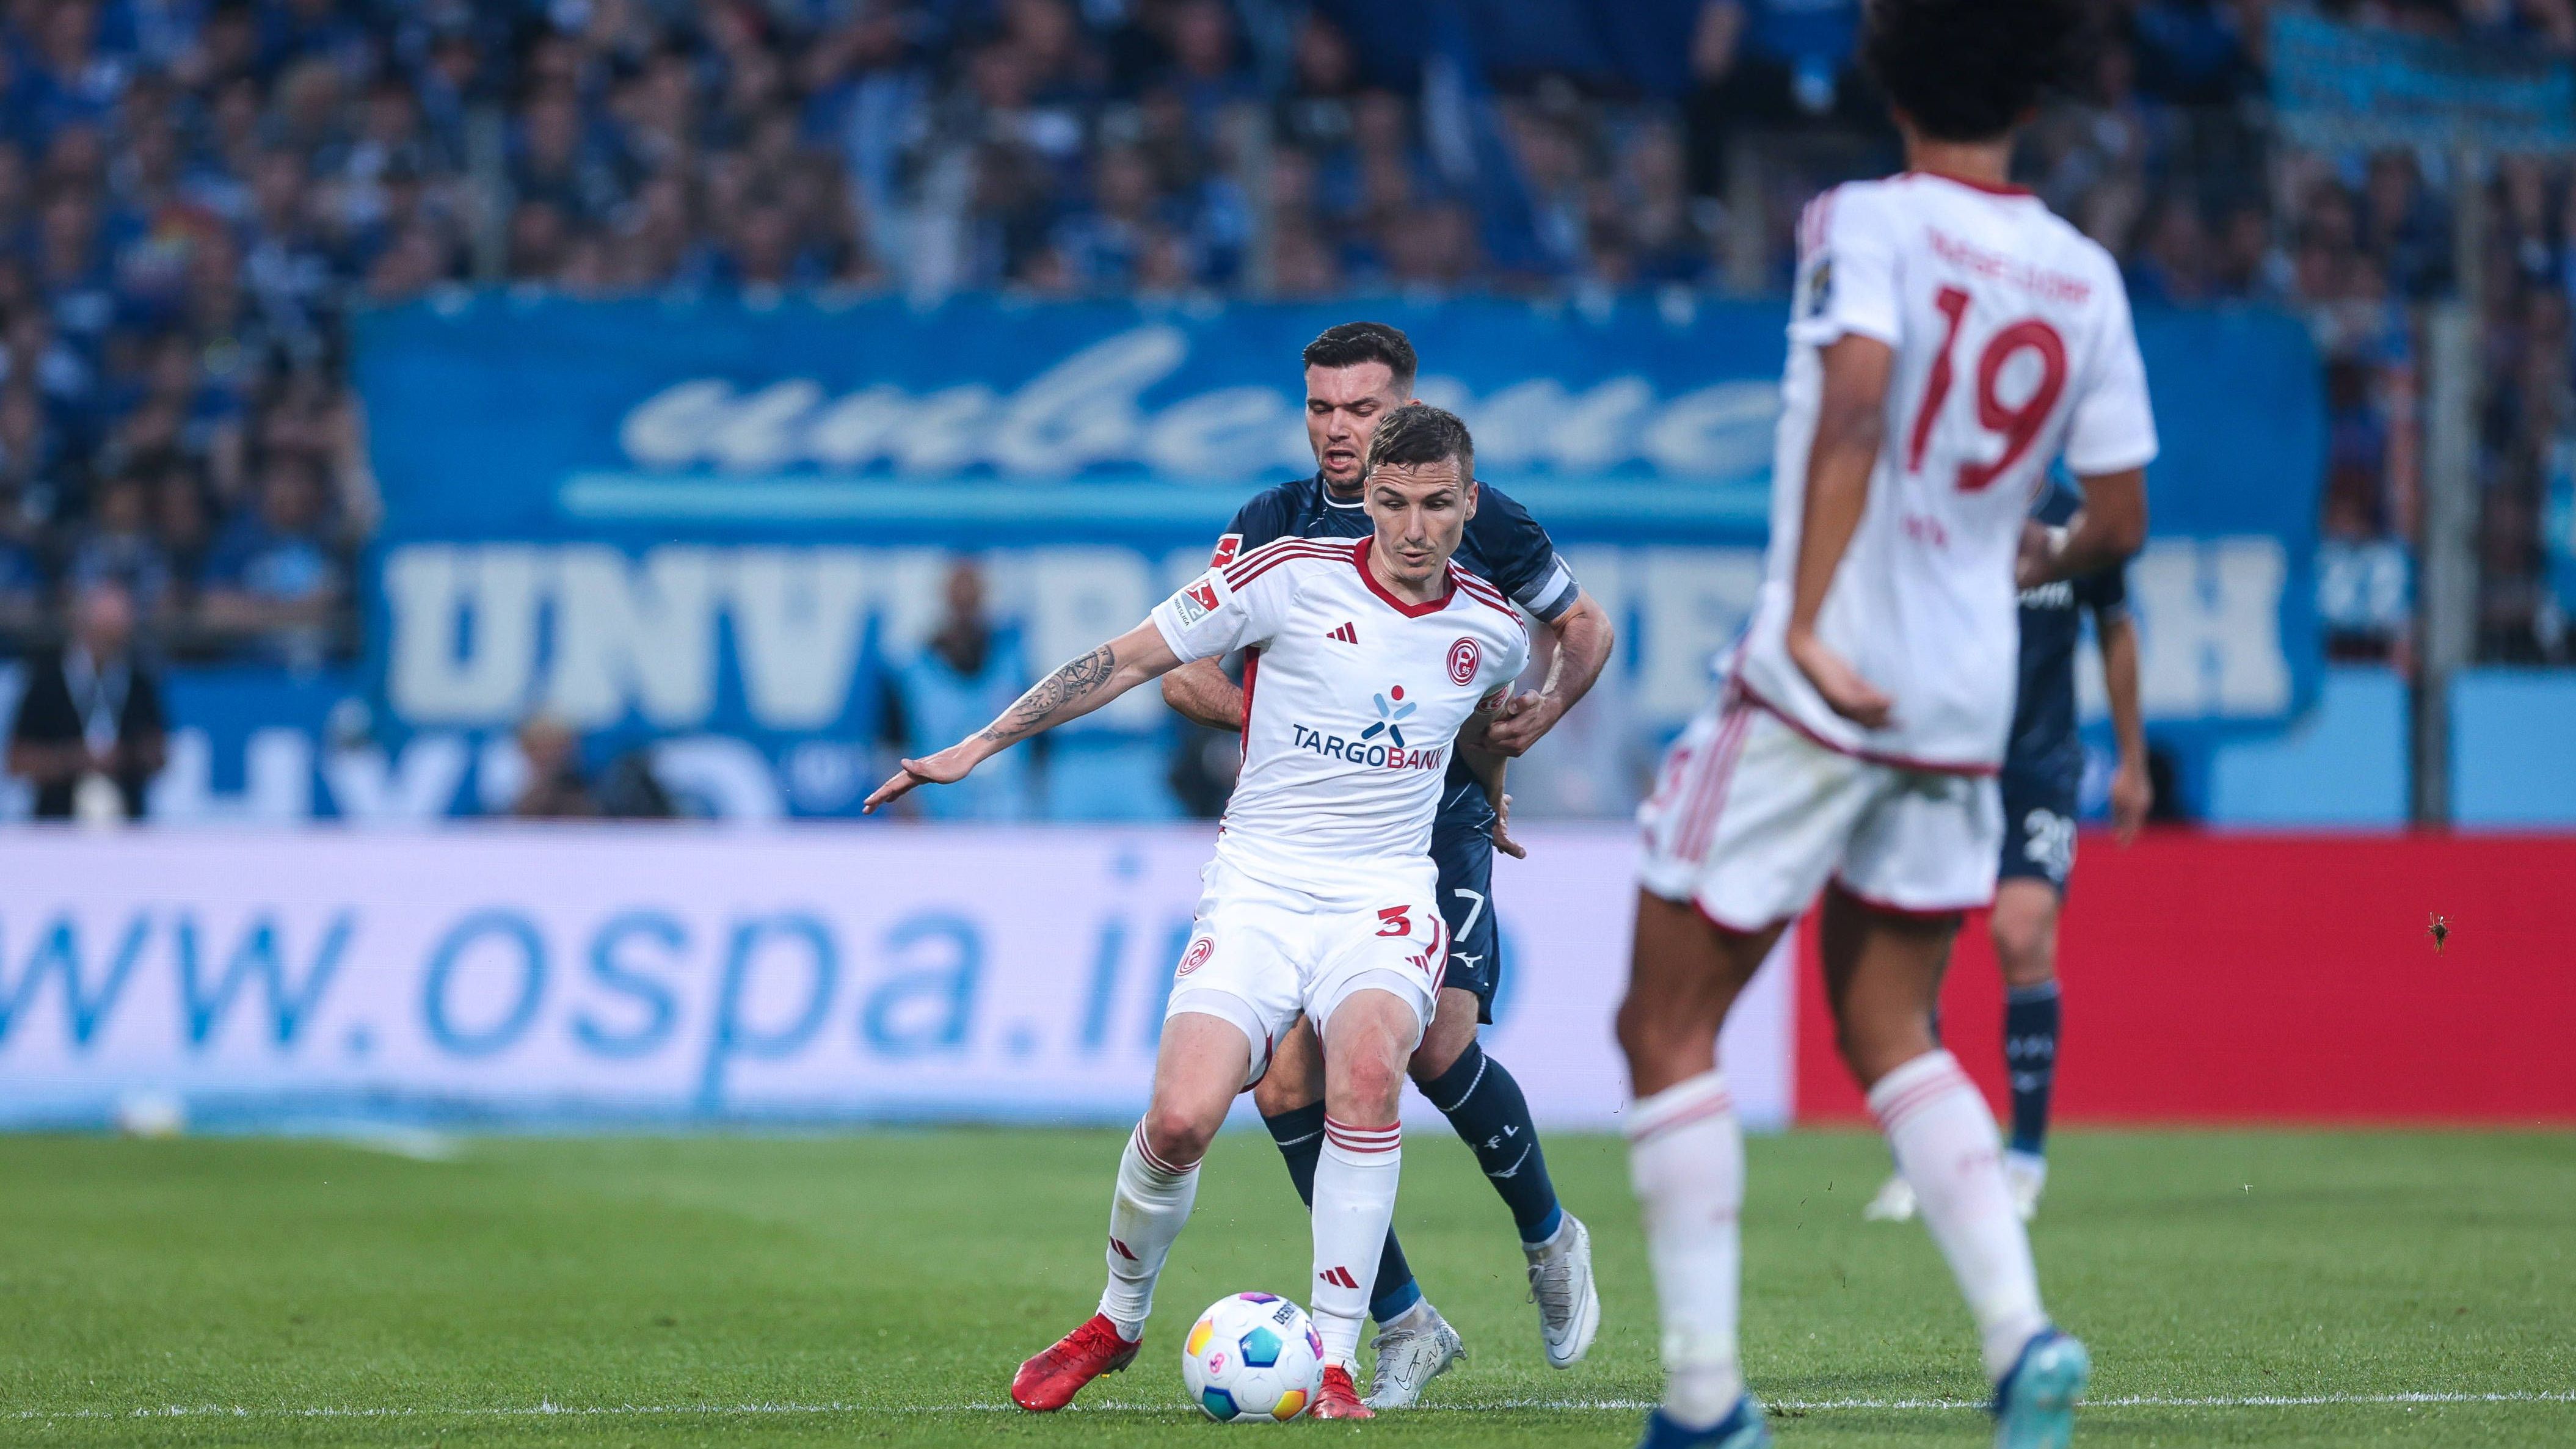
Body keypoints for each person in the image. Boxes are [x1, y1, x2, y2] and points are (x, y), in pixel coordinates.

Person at [1614, 0, 2155, 1442]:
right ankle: (2016, 1330)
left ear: (1882, 70)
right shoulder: (2082, 272)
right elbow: (2117, 516)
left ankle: (1705, 1401)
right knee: (1884, 1021)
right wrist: (2018, 558)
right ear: (2033, 92)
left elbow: (1853, 411)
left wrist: (1798, 621)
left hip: (1828, 675)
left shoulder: (1864, 221)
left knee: (1663, 1025)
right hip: (1963, 699)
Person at [866, 405, 1530, 1422]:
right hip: (1258, 887)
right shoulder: (1286, 574)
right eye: (1390, 503)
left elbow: (1475, 733)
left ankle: (1339, 1365)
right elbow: (1131, 657)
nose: (1411, 528)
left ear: (1467, 503)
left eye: (1436, 505)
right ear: (1369, 500)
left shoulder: (1490, 630)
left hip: (1381, 898)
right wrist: (978, 744)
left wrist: (1489, 799)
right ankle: (1117, 1320)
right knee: (1178, 1118)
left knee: (1364, 1075)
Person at [1160, 320, 1617, 1406]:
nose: (1337, 430)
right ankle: (1401, 1317)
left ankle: (1550, 1238)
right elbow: (1180, 676)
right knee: (1283, 1078)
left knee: (1436, 1041)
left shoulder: (1475, 511)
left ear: (1404, 410)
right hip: (1304, 833)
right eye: (1320, 408)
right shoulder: (1271, 522)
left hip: (1435, 815)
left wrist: (1529, 725)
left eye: (1360, 409)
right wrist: (1303, 725)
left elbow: (1583, 627)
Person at [1863, 475, 2152, 1227]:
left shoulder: (2077, 524)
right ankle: (1920, 1164)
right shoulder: (1940, 510)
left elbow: (2118, 630)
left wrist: (2133, 759)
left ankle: (2024, 1159)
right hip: (1947, 764)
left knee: (2020, 934)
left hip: (2039, 771)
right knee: (1918, 958)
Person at [882, 559, 1032, 821]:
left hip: (1011, 825)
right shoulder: (913, 673)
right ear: (943, 595)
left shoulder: (1015, 666)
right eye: (958, 593)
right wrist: (908, 817)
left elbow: (1039, 752)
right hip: (938, 823)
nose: (964, 602)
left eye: (971, 593)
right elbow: (890, 749)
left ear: (984, 595)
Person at [7, 579, 168, 821]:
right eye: (102, 631)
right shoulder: (46, 682)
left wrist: (124, 756)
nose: (108, 642)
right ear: (81, 626)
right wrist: (71, 760)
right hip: (55, 827)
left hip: (128, 829)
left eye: (115, 634)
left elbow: (160, 755)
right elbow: (17, 761)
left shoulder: (139, 682)